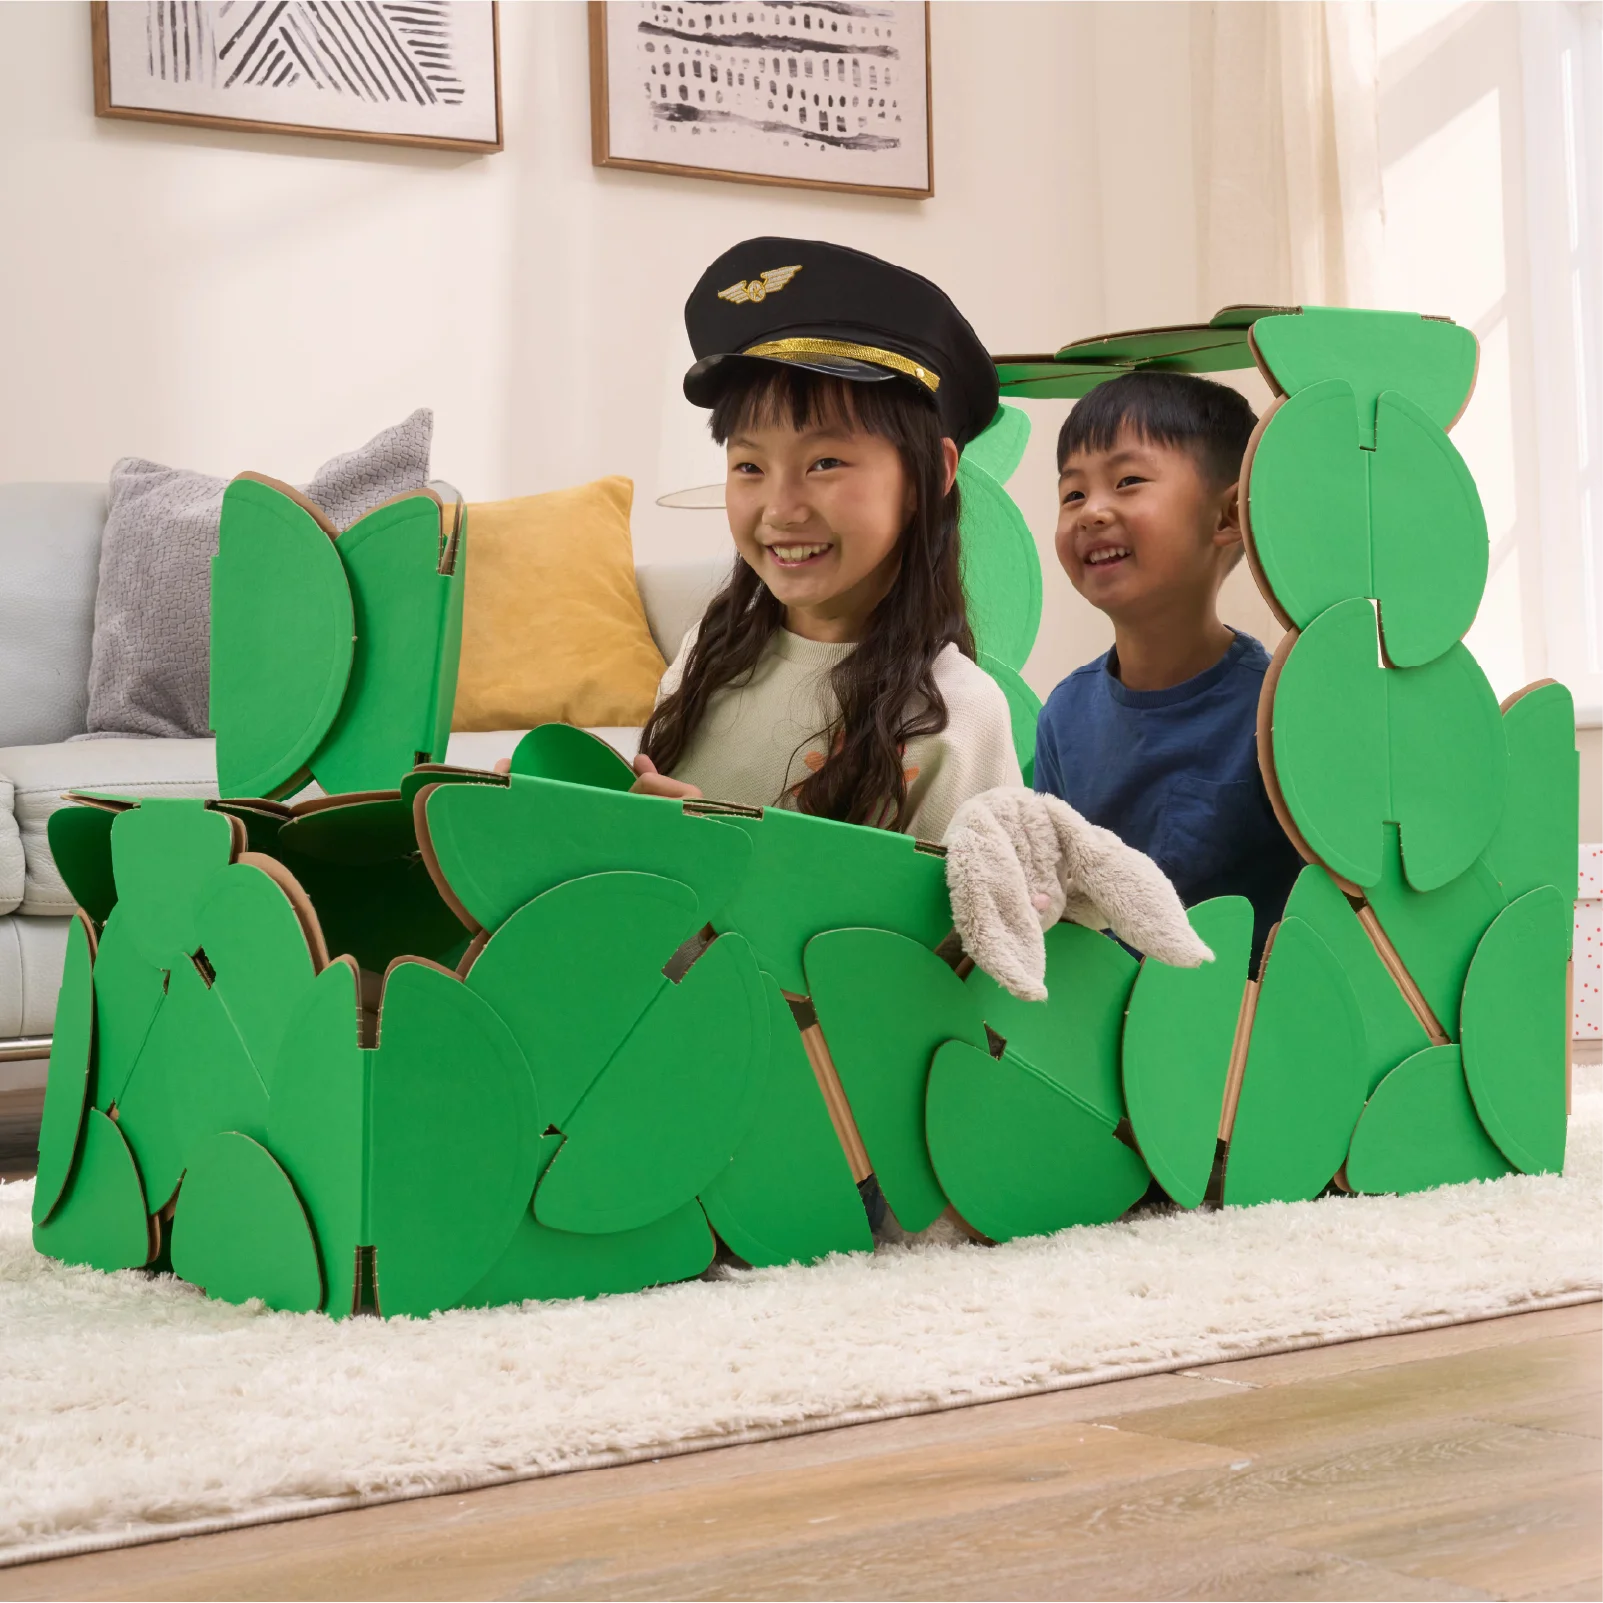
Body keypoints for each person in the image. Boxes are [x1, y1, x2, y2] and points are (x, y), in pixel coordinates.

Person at [632, 236, 1021, 843]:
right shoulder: (706, 654)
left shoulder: (958, 715)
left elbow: (959, 932)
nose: (781, 510)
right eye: (750, 467)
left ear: (931, 476)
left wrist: (709, 864)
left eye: (825, 463)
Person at [1033, 371, 1303, 963]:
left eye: (1128, 481)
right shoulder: (1065, 713)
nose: (1092, 512)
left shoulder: (1281, 708)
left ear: (1229, 515)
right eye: (1073, 494)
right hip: (1095, 1030)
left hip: (1241, 1034)